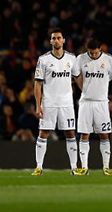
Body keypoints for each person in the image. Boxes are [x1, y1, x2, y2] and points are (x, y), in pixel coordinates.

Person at [31, 28, 81, 176]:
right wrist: (38, 105)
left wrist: (86, 93)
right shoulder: (44, 59)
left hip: (66, 103)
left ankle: (74, 167)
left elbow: (78, 78)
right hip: (49, 103)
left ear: (64, 40)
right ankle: (39, 167)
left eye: (59, 38)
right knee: (43, 133)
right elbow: (38, 84)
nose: (56, 40)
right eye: (54, 38)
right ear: (50, 41)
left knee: (70, 133)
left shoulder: (72, 59)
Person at [73, 38, 112, 175]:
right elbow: (76, 75)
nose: (93, 55)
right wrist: (83, 88)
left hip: (101, 102)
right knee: (84, 134)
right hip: (86, 102)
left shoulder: (108, 59)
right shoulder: (81, 59)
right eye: (90, 53)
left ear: (101, 48)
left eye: (95, 53)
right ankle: (84, 168)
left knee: (104, 135)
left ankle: (106, 168)